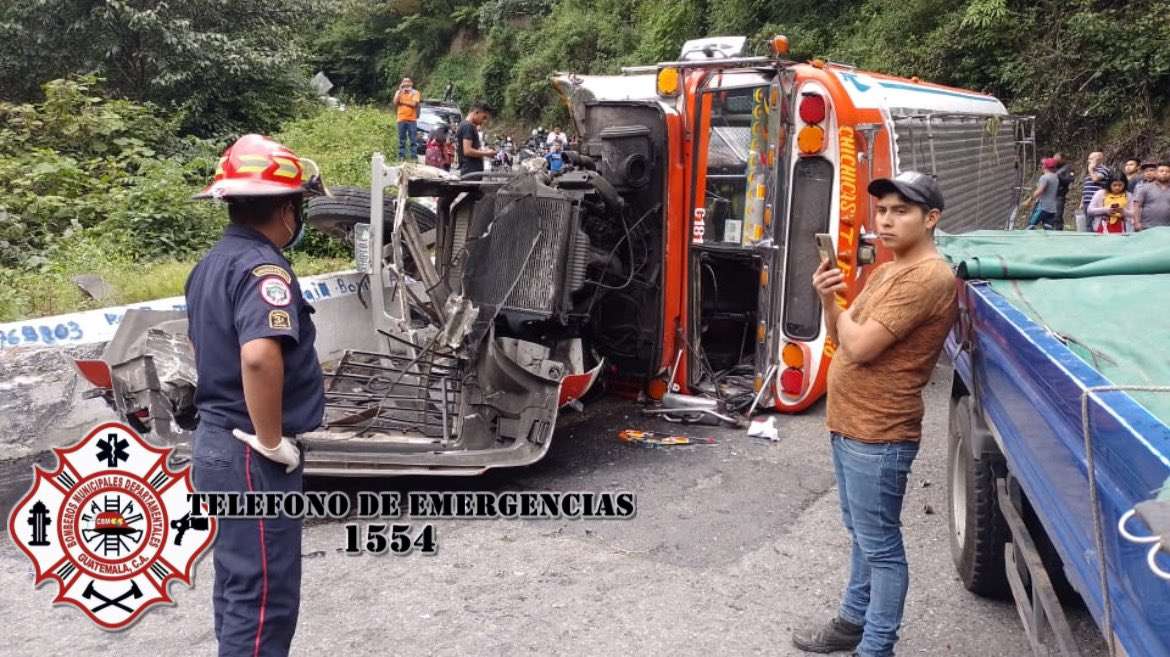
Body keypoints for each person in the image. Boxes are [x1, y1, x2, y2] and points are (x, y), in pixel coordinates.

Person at [794, 171, 958, 657]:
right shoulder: (888, 269)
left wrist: (838, 309)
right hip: (851, 425)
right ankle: (852, 622)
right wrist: (831, 300)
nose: (885, 221)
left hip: (879, 433)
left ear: (931, 219)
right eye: (882, 210)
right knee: (862, 534)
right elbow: (842, 329)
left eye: (900, 211)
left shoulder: (929, 277)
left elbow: (861, 345)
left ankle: (876, 646)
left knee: (881, 545)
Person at [187, 134, 327, 657]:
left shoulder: (210, 265)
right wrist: (270, 439)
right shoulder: (264, 270)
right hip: (251, 452)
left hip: (218, 444)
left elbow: (198, 342)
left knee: (241, 586)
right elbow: (258, 356)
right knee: (265, 598)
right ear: (287, 208)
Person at [456, 102, 496, 177]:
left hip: (471, 172)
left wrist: (485, 151)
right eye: (484, 117)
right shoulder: (467, 126)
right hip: (470, 172)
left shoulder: (466, 125)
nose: (484, 121)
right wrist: (487, 154)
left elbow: (472, 149)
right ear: (476, 112)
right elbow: (467, 151)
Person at [1133, 162, 1170, 231]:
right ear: (1156, 173)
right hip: (1147, 227)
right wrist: (1137, 223)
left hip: (1167, 228)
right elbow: (1137, 206)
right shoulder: (1144, 188)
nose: (1164, 173)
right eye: (1161, 171)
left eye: (1167, 171)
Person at [1027, 158, 1062, 230]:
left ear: (1044, 166)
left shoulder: (1045, 177)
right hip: (1052, 208)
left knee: (1031, 225)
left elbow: (1040, 190)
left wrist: (1029, 199)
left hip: (1043, 207)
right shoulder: (1056, 178)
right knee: (1048, 228)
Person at [1079, 151, 1110, 231]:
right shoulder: (1091, 170)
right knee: (1088, 223)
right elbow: (1086, 187)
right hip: (1087, 200)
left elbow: (1095, 179)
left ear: (1099, 159)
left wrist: (1090, 169)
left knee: (1096, 223)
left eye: (1091, 158)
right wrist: (1082, 201)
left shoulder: (1104, 169)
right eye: (1089, 159)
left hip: (1096, 201)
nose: (1089, 161)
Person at [393, 77, 422, 161]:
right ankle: (401, 157)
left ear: (411, 83)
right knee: (401, 140)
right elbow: (395, 102)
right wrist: (399, 91)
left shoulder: (415, 92)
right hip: (401, 118)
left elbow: (414, 104)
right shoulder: (399, 92)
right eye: (404, 82)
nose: (406, 84)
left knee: (413, 139)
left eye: (408, 82)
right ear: (402, 83)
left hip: (412, 119)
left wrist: (402, 102)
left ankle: (414, 157)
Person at [1052, 152, 1076, 226]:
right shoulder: (1054, 168)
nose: (1055, 162)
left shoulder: (1068, 168)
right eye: (1054, 160)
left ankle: (1058, 231)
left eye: (1057, 161)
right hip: (1051, 194)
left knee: (1057, 216)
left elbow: (1071, 179)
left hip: (1060, 194)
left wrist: (1059, 177)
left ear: (1063, 159)